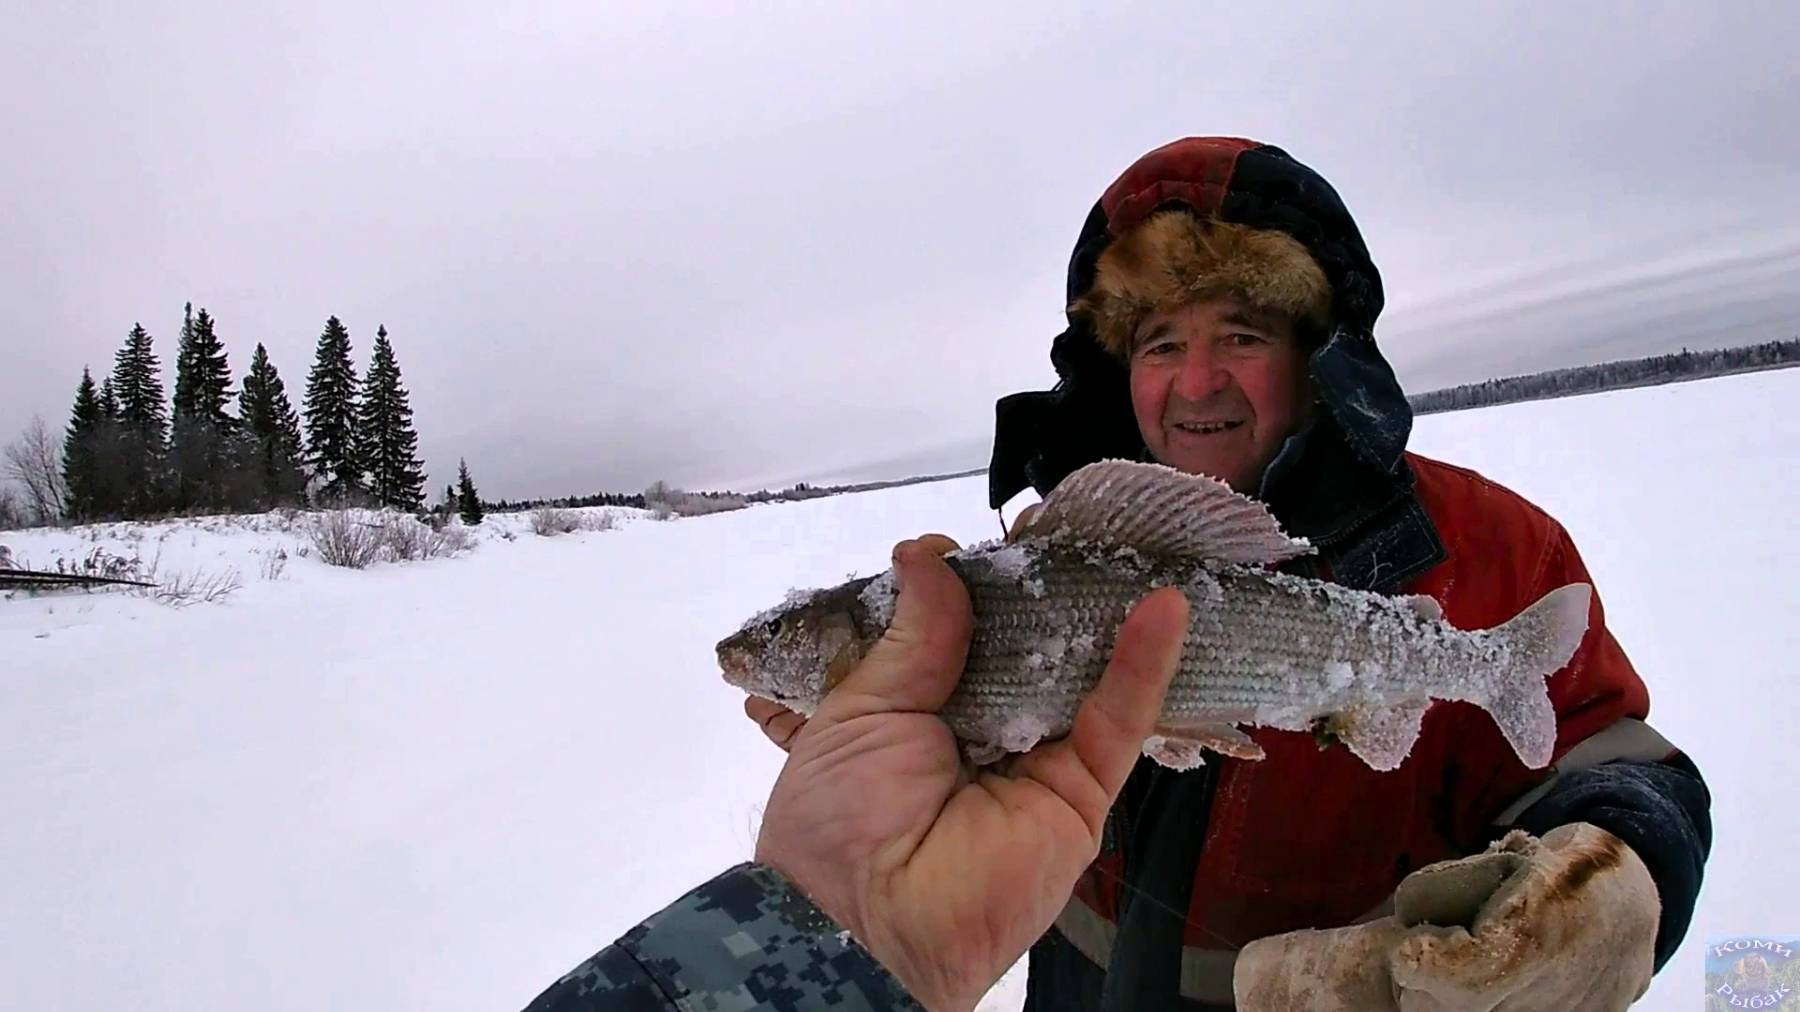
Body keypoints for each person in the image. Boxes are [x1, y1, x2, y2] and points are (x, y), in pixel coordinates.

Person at [530, 136, 1713, 1010]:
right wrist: (849, 908)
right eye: (1159, 342)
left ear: (1317, 353)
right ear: (1118, 370)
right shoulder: (1031, 564)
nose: (1197, 382)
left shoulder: (1490, 547)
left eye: (1241, 332)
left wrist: (1614, 875)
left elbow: (1609, 758)